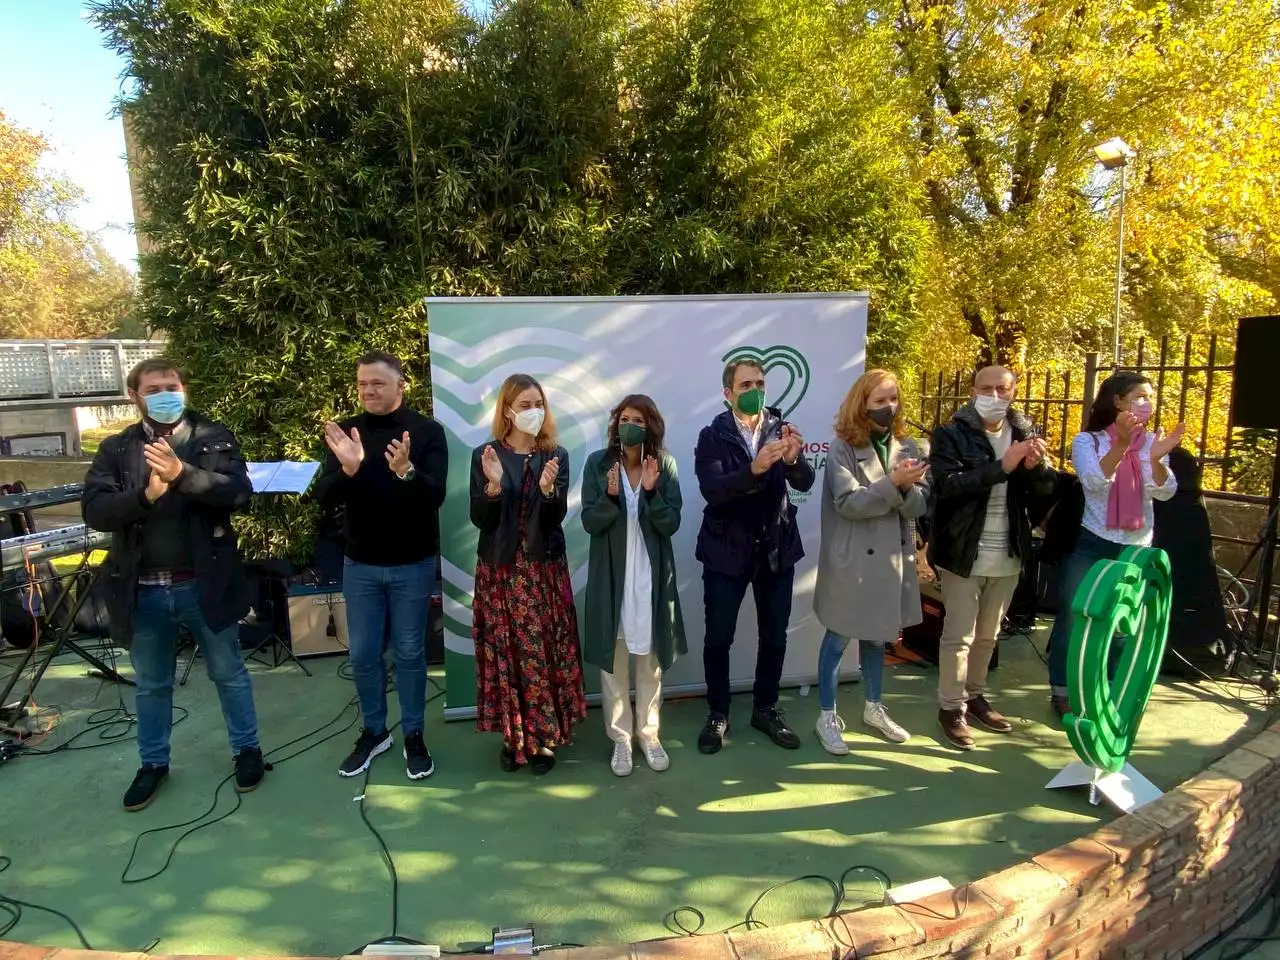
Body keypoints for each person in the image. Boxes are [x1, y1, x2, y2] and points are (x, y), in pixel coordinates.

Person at [82, 358, 264, 811]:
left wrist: (183, 476)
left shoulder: (213, 438)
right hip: (143, 588)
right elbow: (96, 511)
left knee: (229, 672)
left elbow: (238, 492)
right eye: (154, 388)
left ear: (183, 389)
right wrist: (146, 496)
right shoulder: (116, 449)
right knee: (151, 684)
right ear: (135, 396)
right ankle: (153, 765)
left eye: (172, 385)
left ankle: (248, 751)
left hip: (204, 584)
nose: (166, 394)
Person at [314, 351, 448, 780]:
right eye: (362, 384)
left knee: (410, 653)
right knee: (364, 653)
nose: (369, 391)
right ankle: (374, 731)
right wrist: (351, 468)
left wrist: (406, 471)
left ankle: (413, 735)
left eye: (378, 383)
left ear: (400, 385)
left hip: (413, 563)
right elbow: (323, 495)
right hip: (362, 566)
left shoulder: (427, 432)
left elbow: (434, 497)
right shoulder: (346, 433)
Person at [928, 365, 1057, 750]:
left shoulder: (1024, 433)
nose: (995, 395)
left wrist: (1037, 470)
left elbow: (1046, 496)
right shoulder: (951, 434)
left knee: (988, 635)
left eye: (1002, 388)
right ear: (972, 391)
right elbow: (949, 488)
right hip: (963, 551)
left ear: (1014, 392)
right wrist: (1002, 466)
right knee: (959, 636)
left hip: (1009, 550)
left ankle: (975, 695)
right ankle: (950, 708)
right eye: (986, 388)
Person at [694, 358, 816, 754]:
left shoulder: (780, 429)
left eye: (760, 383)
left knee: (775, 636)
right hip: (726, 550)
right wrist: (755, 468)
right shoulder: (712, 435)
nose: (755, 390)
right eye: (745, 384)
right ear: (728, 393)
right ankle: (718, 713)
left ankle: (766, 708)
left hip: (776, 548)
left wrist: (794, 459)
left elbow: (805, 481)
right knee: (718, 638)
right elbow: (714, 489)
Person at [1046, 372, 1183, 716]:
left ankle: (1104, 691)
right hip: (1093, 540)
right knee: (1074, 616)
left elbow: (1165, 492)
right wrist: (1121, 445)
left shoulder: (1152, 442)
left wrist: (1154, 460)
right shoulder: (1088, 441)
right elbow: (1094, 482)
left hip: (1136, 544)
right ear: (1118, 401)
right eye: (1138, 396)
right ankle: (1062, 689)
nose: (1146, 403)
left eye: (1149, 397)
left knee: (1123, 623)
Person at [470, 373, 587, 773]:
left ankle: (543, 738)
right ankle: (512, 735)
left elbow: (555, 519)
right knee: (507, 653)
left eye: (539, 403)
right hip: (501, 572)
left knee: (540, 652)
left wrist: (550, 491)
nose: (534, 412)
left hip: (543, 571)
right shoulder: (486, 455)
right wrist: (493, 488)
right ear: (507, 410)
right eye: (525, 405)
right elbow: (480, 519)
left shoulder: (555, 455)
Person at [813, 370, 928, 753]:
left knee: (878, 636)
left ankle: (874, 707)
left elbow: (918, 506)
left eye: (893, 399)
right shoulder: (841, 448)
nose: (888, 407)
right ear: (861, 404)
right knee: (839, 637)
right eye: (880, 401)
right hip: (853, 561)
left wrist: (904, 486)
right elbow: (849, 504)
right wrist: (893, 484)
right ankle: (826, 715)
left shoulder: (907, 446)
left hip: (890, 561)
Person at [581, 395, 686, 776]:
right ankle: (621, 740)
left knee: (650, 663)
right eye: (624, 419)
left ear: (650, 426)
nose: (630, 425)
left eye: (637, 420)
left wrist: (653, 491)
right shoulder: (598, 464)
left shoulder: (664, 464)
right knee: (614, 666)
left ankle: (649, 735)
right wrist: (611, 497)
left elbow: (670, 522)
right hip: (613, 577)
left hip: (651, 576)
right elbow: (590, 522)